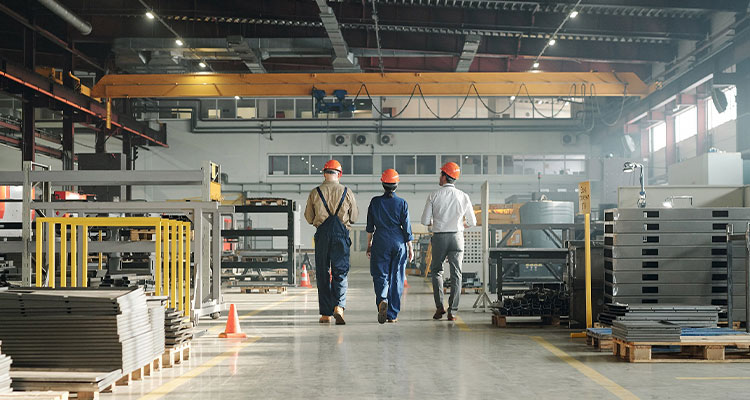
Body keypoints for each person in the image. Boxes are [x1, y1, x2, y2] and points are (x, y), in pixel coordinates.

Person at [304, 159, 358, 325]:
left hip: (322, 235)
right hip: (341, 236)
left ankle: (325, 314)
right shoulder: (347, 192)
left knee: (322, 272)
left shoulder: (315, 192)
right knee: (340, 272)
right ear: (339, 174)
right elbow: (354, 217)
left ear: (324, 173)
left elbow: (309, 217)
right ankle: (339, 307)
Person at [421, 162, 476, 321]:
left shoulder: (434, 195)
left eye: (441, 174)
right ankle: (453, 310)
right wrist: (460, 225)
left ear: (445, 176)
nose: (439, 177)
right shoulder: (463, 196)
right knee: (456, 274)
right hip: (457, 237)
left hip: (439, 237)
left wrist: (438, 222)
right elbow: (472, 221)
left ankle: (440, 308)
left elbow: (425, 221)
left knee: (437, 271)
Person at [366, 169, 414, 324]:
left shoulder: (375, 202)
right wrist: (410, 247)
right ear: (396, 184)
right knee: (397, 277)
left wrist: (369, 245)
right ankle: (392, 315)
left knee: (380, 274)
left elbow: (369, 227)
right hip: (398, 241)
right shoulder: (402, 203)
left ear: (383, 183)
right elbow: (407, 227)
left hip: (380, 240)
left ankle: (382, 300)